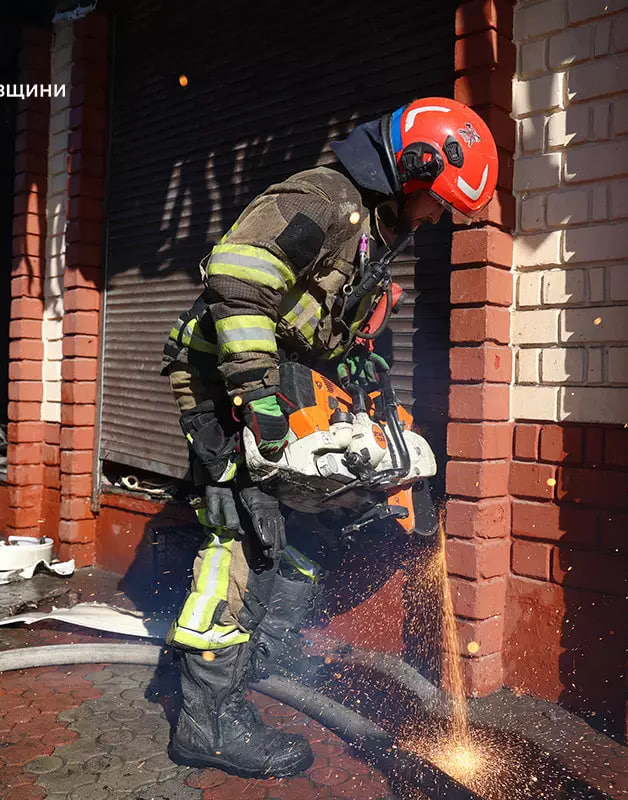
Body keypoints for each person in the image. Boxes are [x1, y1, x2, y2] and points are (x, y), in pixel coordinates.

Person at [159, 97, 498, 778]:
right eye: (436, 201)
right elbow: (239, 276)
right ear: (413, 168)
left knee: (318, 519)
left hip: (270, 384)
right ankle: (206, 720)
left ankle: (268, 652)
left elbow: (349, 354)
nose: (435, 218)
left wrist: (393, 447)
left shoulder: (372, 240)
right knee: (243, 531)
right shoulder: (325, 198)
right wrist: (257, 396)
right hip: (219, 381)